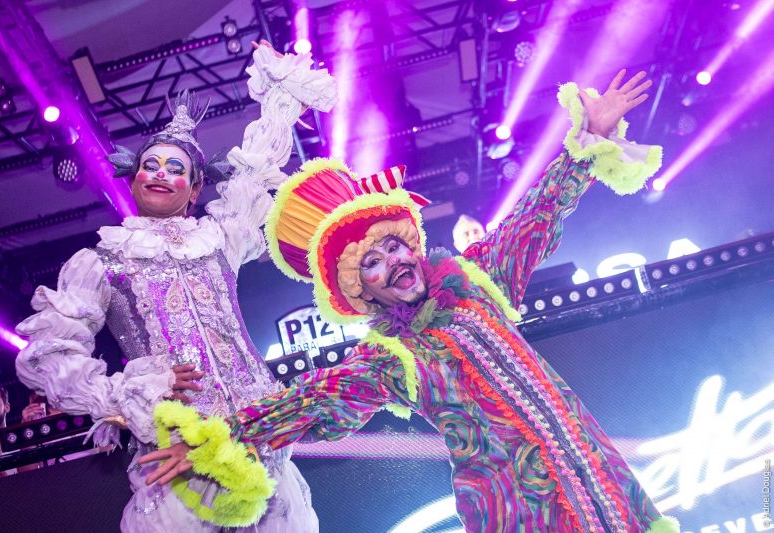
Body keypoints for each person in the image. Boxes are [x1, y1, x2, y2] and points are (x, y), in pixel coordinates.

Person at [142, 71, 680, 532]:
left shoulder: (478, 282)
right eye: (370, 262)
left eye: (394, 246)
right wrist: (218, 438)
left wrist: (586, 140)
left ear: (412, 244)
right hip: (518, 514)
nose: (391, 262)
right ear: (361, 289)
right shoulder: (392, 359)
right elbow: (306, 402)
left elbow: (536, 216)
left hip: (599, 483)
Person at [15, 41, 336, 532]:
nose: (161, 174)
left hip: (260, 442)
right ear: (134, 178)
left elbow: (252, 178)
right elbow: (50, 354)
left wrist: (281, 98)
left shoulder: (217, 240)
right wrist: (130, 392)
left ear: (195, 187)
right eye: (151, 165)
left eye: (176, 168)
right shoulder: (103, 260)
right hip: (177, 457)